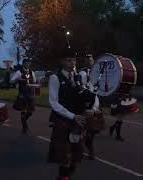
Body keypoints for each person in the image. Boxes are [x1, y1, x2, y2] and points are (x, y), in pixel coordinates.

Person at [48, 49, 93, 180]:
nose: (71, 62)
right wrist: (72, 116)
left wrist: (92, 107)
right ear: (61, 61)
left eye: (73, 59)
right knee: (64, 159)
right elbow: (54, 102)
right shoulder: (55, 78)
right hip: (63, 121)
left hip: (77, 122)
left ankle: (63, 177)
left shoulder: (79, 77)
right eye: (68, 60)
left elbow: (87, 95)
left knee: (75, 158)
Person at [78, 53, 102, 159]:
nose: (90, 62)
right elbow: (81, 89)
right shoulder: (82, 73)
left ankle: (89, 147)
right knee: (80, 130)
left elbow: (97, 91)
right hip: (84, 104)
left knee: (92, 130)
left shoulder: (96, 74)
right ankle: (88, 149)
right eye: (88, 61)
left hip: (94, 103)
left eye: (91, 60)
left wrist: (95, 107)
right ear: (84, 62)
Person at [10, 58, 37, 133]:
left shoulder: (32, 72)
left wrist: (36, 84)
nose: (28, 64)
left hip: (30, 94)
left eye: (29, 63)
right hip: (22, 94)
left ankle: (24, 120)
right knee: (23, 110)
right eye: (26, 63)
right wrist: (18, 79)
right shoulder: (19, 72)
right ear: (23, 64)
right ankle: (24, 126)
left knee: (30, 112)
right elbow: (11, 80)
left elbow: (34, 81)